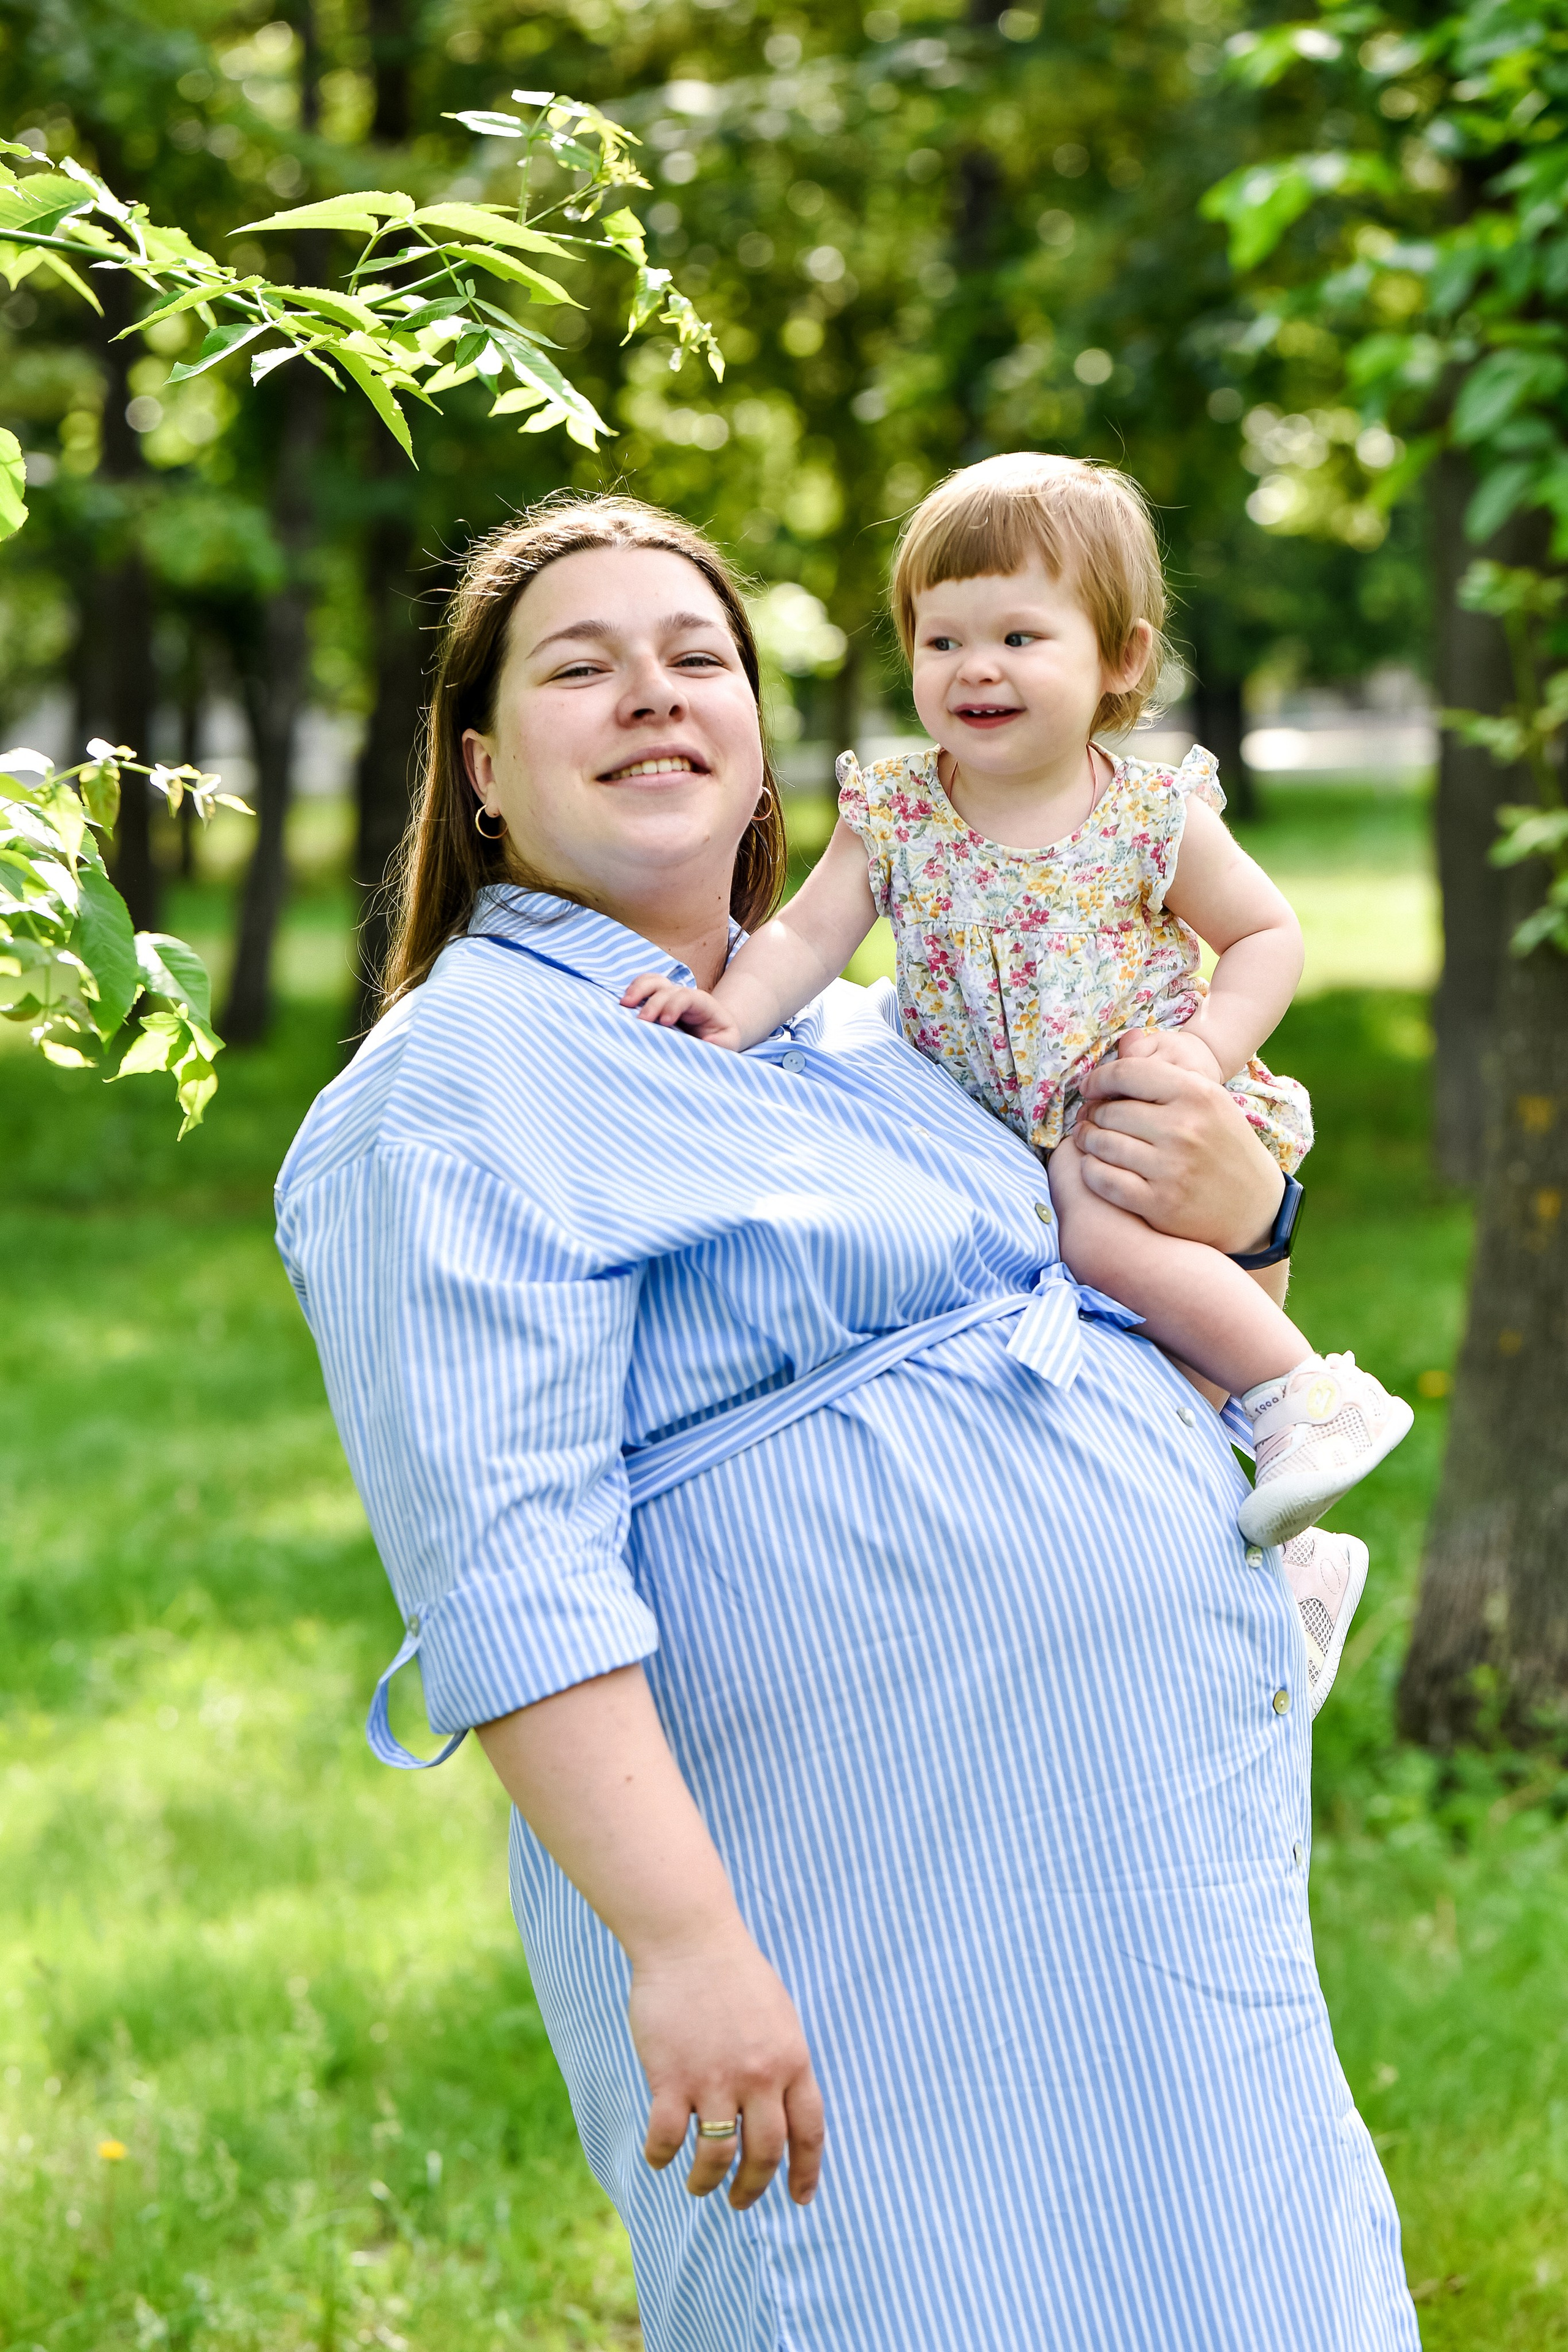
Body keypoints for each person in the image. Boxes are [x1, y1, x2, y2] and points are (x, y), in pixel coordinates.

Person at [274, 494, 1420, 2352]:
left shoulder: (884, 1031)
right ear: (482, 772)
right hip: (841, 1889)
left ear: (755, 758)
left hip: (1138, 1863)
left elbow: (1156, 1304)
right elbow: (505, 1566)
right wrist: (685, 1945)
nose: (651, 695)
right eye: (583, 666)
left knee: (1236, 2283)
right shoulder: (453, 1094)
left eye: (695, 658)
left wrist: (1249, 1207)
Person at [625, 453, 1410, 1697]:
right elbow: (800, 938)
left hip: (1120, 1113)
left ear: (1117, 659)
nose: (972, 668)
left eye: (1016, 635)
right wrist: (724, 1014)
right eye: (940, 639)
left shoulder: (1148, 815)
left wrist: (1203, 1052)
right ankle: (1299, 1567)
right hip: (992, 1132)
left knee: (1107, 1258)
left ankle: (1306, 1390)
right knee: (1151, 1397)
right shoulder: (895, 810)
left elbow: (1266, 934)